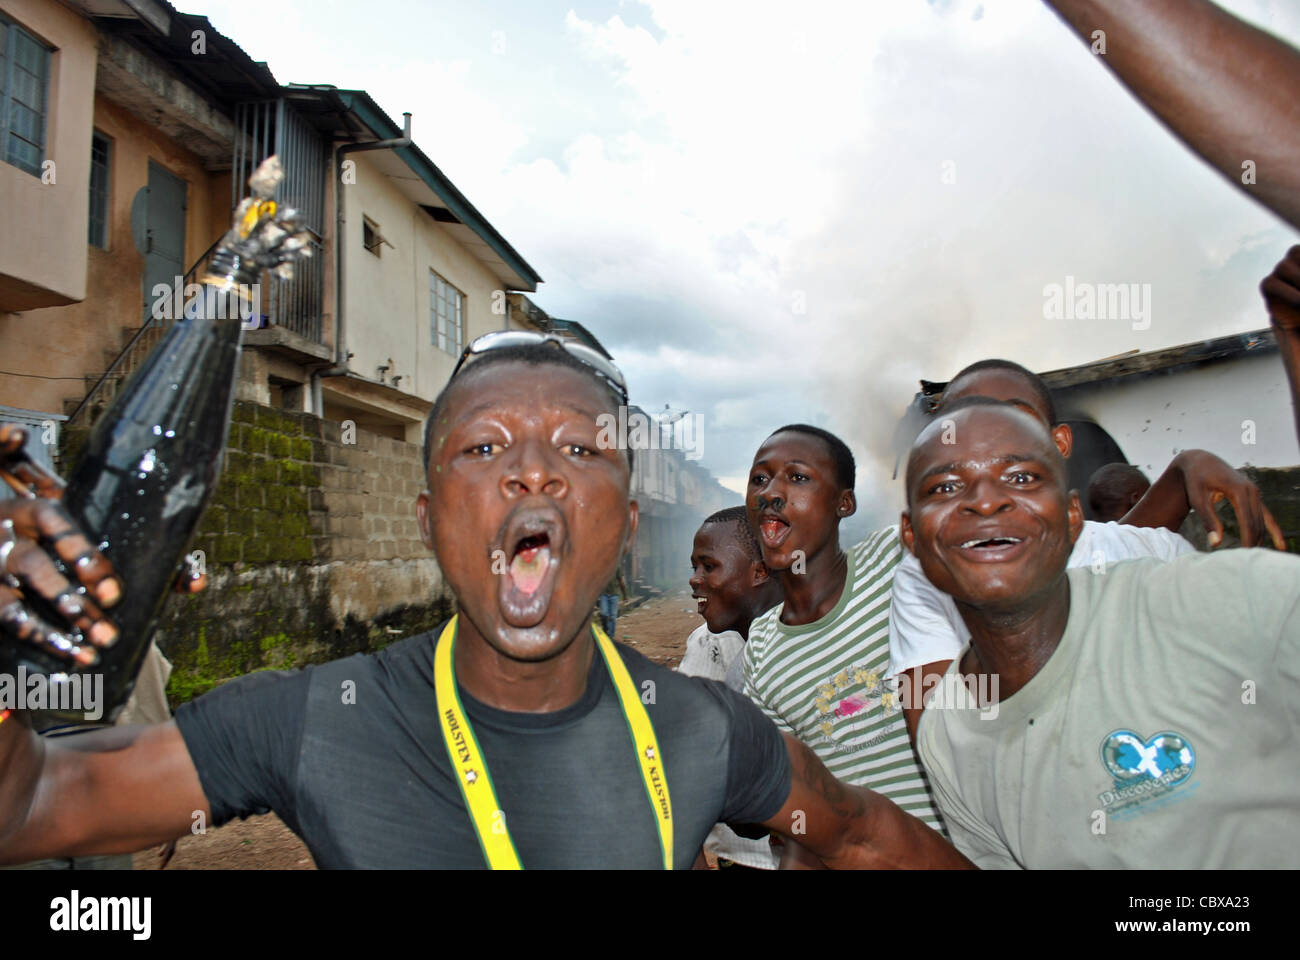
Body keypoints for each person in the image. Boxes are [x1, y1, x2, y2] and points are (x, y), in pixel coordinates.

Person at [0, 335, 971, 869]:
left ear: (626, 525)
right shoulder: (306, 721)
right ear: (427, 520)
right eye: (485, 447)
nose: (532, 476)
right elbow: (32, 805)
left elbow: (859, 836)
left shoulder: (708, 735)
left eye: (579, 450)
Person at [902, 398, 1300, 868]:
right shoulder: (948, 736)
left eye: (1022, 478)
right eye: (946, 486)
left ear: (1073, 517)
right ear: (911, 537)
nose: (986, 500)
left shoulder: (1226, 596)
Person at [888, 358, 1283, 741]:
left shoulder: (1152, 550)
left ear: (1059, 442)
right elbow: (940, 739)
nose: (989, 432)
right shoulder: (926, 571)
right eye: (962, 420)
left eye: (1016, 417)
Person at [741, 425, 948, 849]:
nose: (771, 493)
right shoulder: (761, 647)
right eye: (760, 479)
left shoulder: (898, 560)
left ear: (844, 503)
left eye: (797, 478)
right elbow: (802, 801)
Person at [680, 505, 783, 871]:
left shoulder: (799, 652)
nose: (695, 579)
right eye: (694, 567)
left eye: (709, 566)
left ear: (760, 572)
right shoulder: (717, 646)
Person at [597, 569, 627, 638]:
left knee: (612, 617)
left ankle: (610, 637)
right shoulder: (603, 566)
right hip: (604, 594)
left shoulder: (617, 566)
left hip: (614, 595)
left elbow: (621, 581)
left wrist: (625, 595)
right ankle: (605, 630)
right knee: (604, 613)